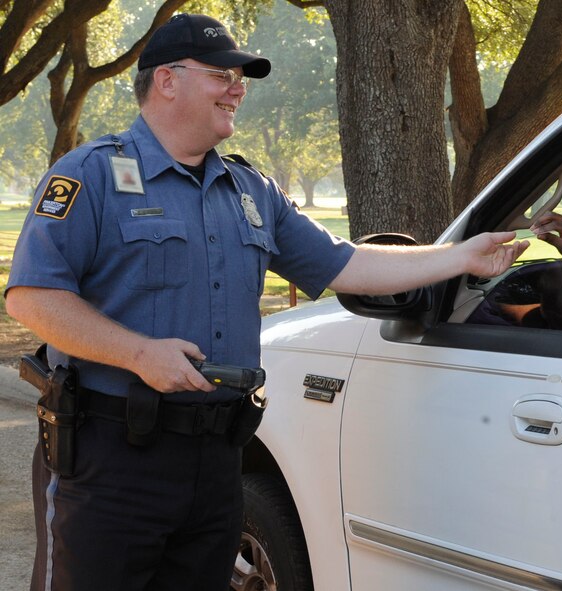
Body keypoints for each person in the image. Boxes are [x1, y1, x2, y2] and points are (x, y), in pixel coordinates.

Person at [4, 14, 529, 591]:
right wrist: (139, 355)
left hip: (217, 460)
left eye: (241, 77)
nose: (238, 88)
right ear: (167, 80)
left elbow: (346, 263)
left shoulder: (250, 191)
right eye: (223, 74)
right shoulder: (91, 174)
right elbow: (33, 297)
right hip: (112, 459)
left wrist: (459, 256)